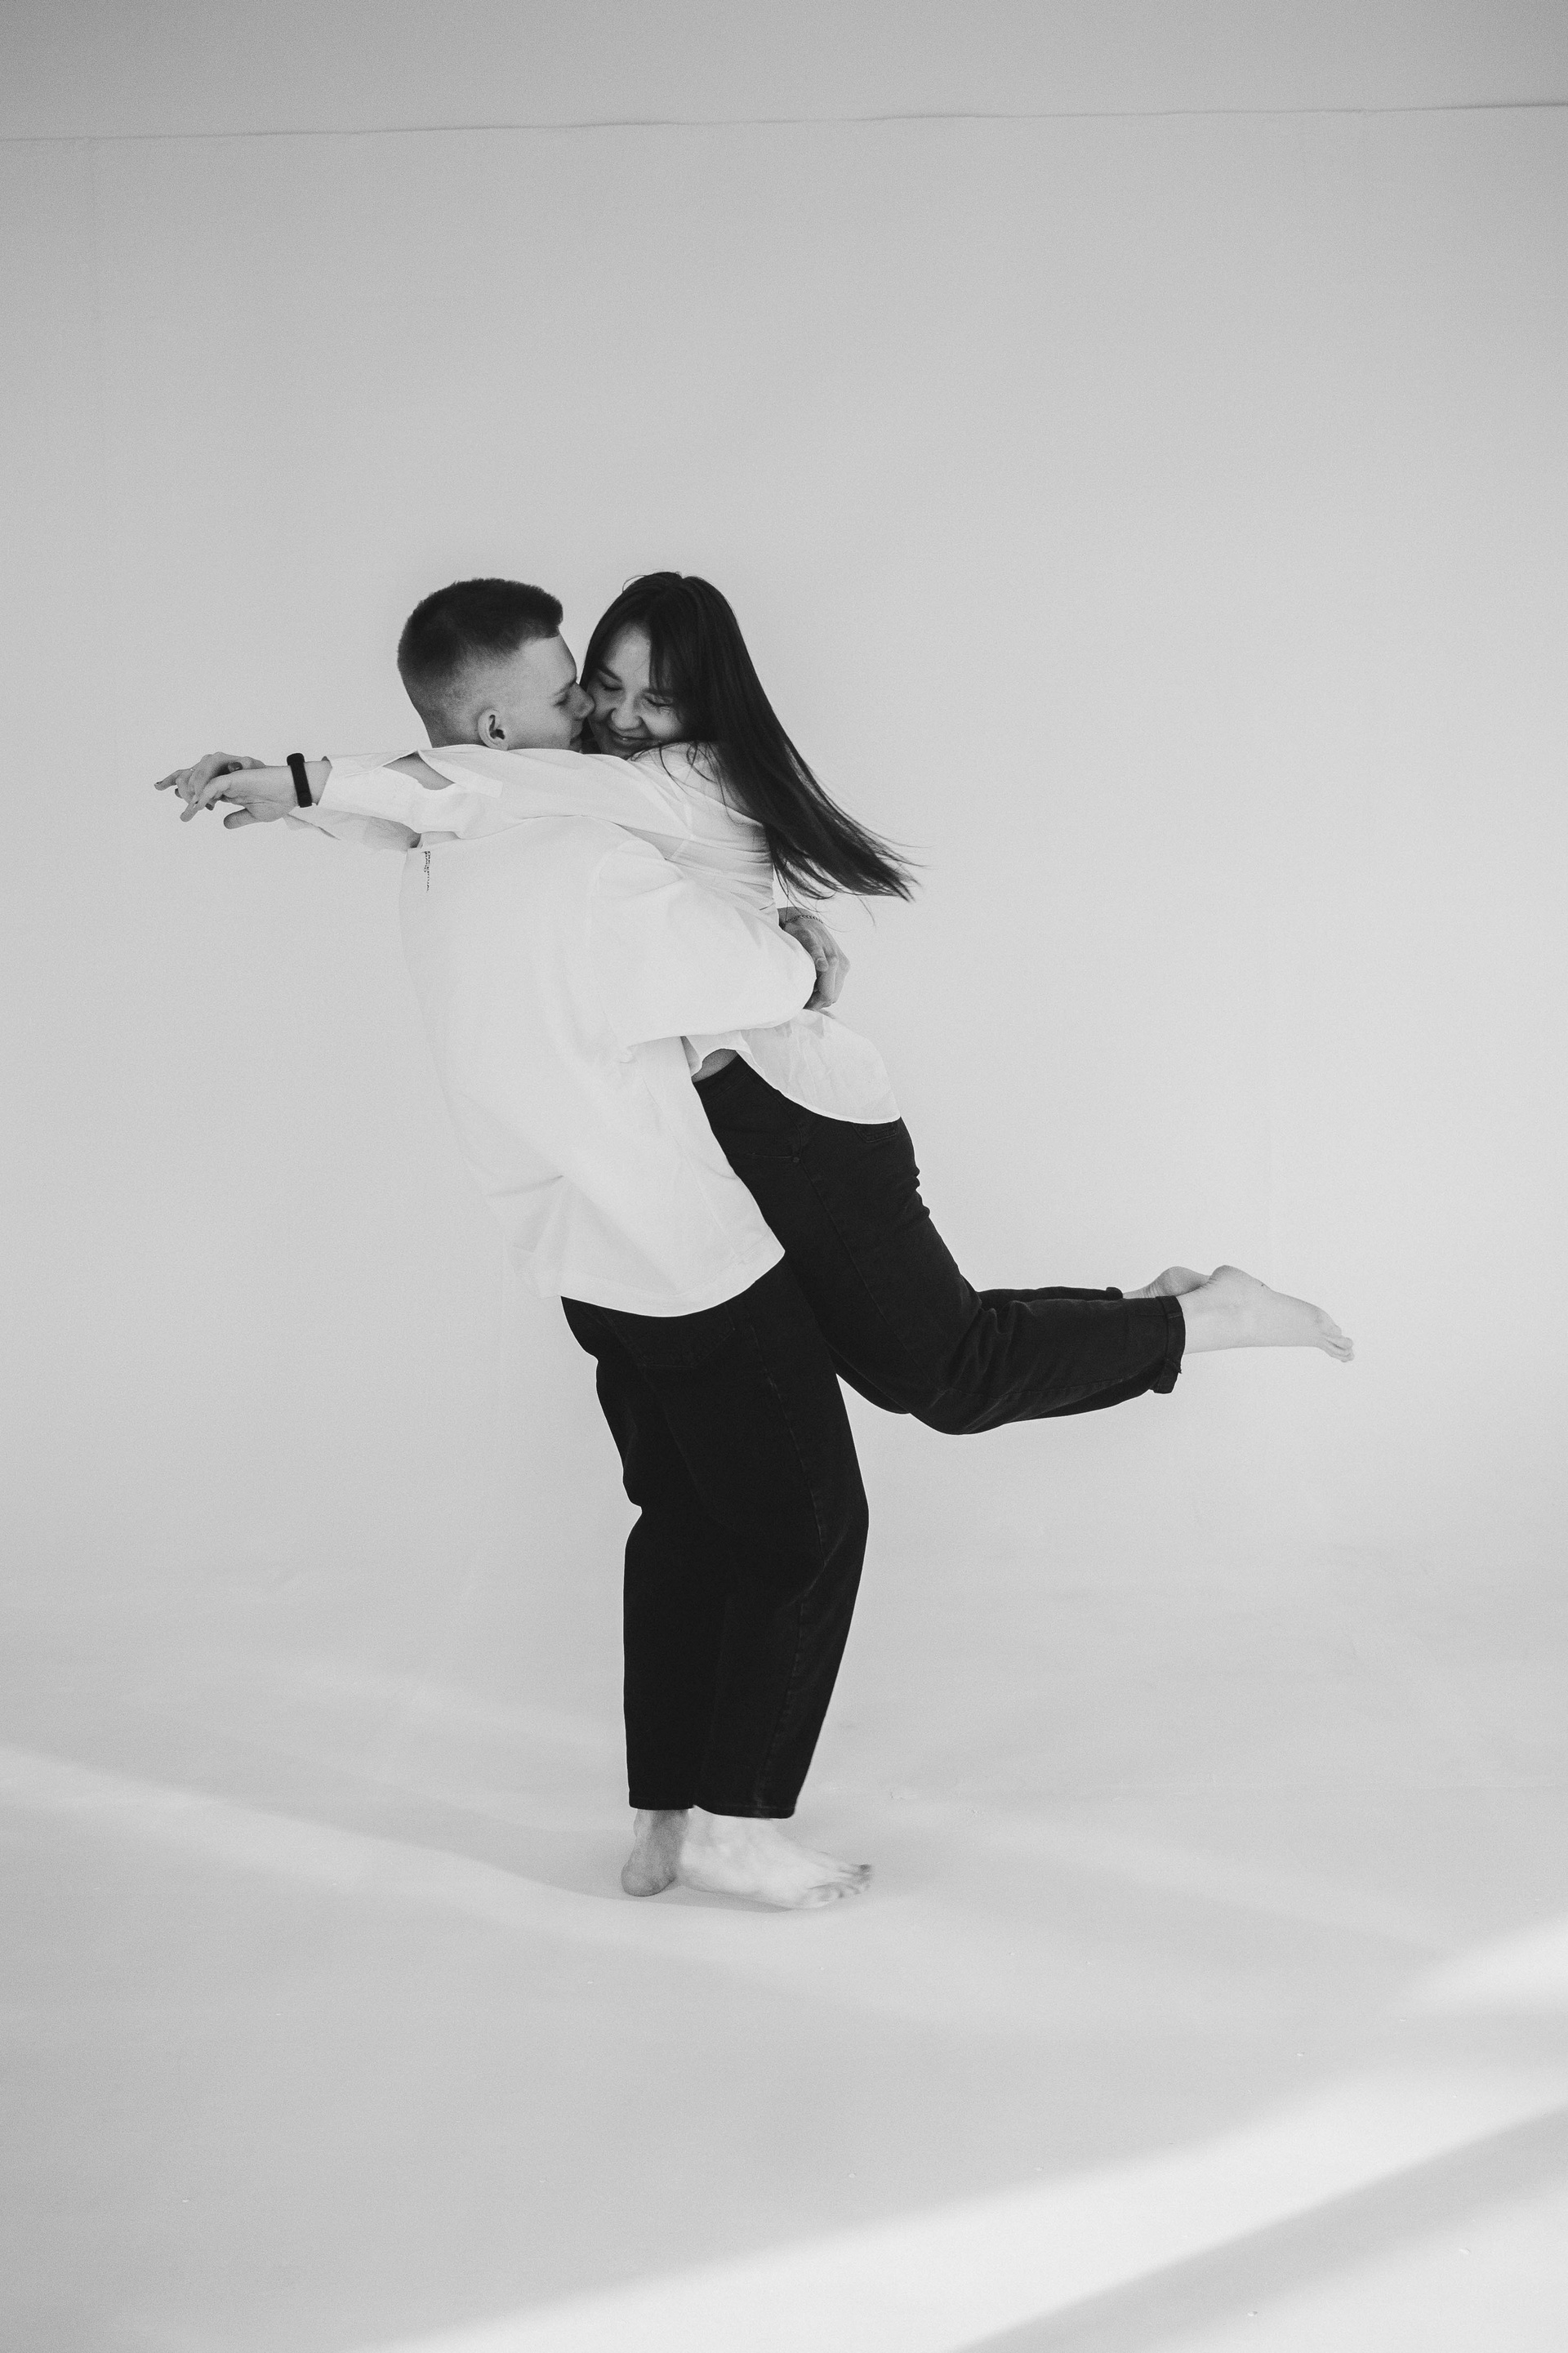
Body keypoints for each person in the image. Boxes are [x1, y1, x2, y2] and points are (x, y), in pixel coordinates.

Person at [160, 575, 1353, 1904]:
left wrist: (304, 787)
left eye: (638, 692)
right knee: (799, 1494)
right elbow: (474, 807)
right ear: (502, 723)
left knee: (921, 1383)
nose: (607, 713)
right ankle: (708, 1814)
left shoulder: (570, 823)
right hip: (691, 1208)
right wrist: (310, 793)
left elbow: (461, 795)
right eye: (589, 687)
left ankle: (1195, 1316)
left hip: (756, 1146)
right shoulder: (543, 842)